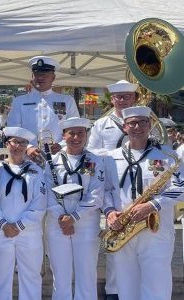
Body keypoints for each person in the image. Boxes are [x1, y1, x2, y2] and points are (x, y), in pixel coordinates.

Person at [104, 106, 184, 300]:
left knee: (156, 286)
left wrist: (152, 205)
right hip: (123, 229)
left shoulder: (168, 155)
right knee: (126, 287)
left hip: (156, 230)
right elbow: (105, 190)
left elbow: (181, 188)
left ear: (150, 126)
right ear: (125, 127)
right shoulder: (110, 158)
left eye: (142, 122)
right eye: (132, 123)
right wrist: (109, 212)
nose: (137, 126)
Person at [86, 79, 138, 300]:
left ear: (135, 98)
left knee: (137, 242)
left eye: (127, 96)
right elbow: (90, 152)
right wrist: (112, 155)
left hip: (136, 184)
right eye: (118, 97)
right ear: (113, 99)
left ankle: (135, 289)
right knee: (115, 240)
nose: (123, 100)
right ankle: (114, 291)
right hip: (112, 184)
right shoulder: (102, 124)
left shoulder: (144, 120)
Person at [45, 117, 104, 300]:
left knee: (86, 275)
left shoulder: (95, 161)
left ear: (86, 135)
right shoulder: (52, 161)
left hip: (86, 223)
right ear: (64, 135)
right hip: (57, 223)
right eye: (71, 133)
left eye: (81, 133)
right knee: (60, 276)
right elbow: (47, 193)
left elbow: (96, 195)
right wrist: (63, 218)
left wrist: (74, 217)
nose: (76, 137)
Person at [0, 126, 46, 300]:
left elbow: (40, 204)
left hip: (29, 233)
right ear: (7, 144)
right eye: (15, 142)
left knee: (31, 277)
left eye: (23, 143)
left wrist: (19, 225)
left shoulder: (36, 172)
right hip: (2, 231)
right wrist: (3, 224)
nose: (18, 146)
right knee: (0, 278)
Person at [6, 56, 79, 162]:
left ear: (53, 77)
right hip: (26, 158)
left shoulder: (67, 101)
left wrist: (61, 145)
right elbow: (13, 130)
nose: (40, 77)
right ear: (32, 76)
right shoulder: (19, 101)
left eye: (45, 74)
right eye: (37, 74)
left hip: (59, 158)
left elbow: (74, 129)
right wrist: (28, 147)